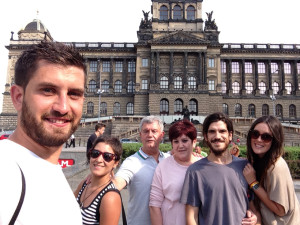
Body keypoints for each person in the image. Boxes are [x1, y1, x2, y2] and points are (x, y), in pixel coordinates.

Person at [0, 41, 86, 224]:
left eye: (74, 94)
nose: (63, 108)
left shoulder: (50, 171)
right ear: (17, 97)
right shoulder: (5, 171)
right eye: (48, 90)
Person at [180, 112, 259, 225]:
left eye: (222, 131)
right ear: (206, 136)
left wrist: (255, 219)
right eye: (212, 131)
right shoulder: (195, 171)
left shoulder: (245, 167)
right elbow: (191, 217)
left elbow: (255, 209)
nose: (217, 136)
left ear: (230, 135)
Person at [243, 116, 300, 225]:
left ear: (274, 141)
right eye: (255, 134)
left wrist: (254, 183)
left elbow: (280, 210)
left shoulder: (276, 167)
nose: (259, 139)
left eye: (266, 137)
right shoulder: (259, 160)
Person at [114, 116, 169, 225]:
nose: (150, 135)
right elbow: (116, 184)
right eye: (145, 131)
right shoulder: (131, 162)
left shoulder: (169, 160)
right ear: (140, 135)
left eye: (154, 131)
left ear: (161, 135)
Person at [149, 120, 200, 225]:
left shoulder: (204, 166)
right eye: (176, 141)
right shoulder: (163, 166)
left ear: (194, 142)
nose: (180, 145)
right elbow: (154, 204)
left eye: (185, 140)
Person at [75, 136, 123, 225]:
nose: (99, 159)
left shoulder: (110, 197)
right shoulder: (85, 184)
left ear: (115, 163)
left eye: (107, 156)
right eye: (95, 153)